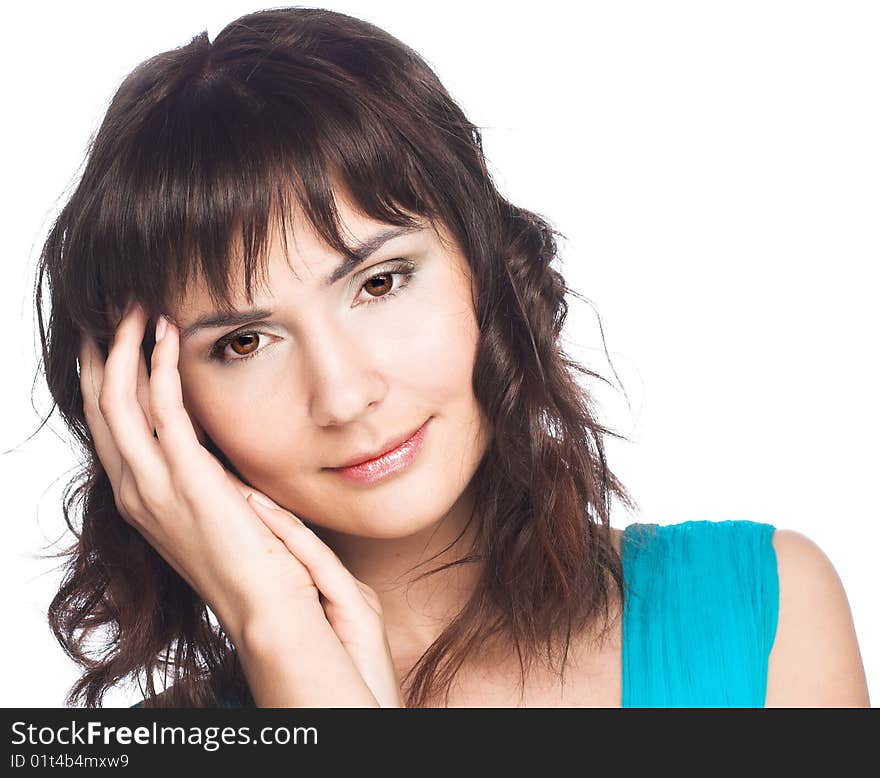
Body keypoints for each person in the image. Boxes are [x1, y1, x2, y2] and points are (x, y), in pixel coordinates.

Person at [37, 7, 869, 709]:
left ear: (483, 261)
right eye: (245, 343)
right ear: (152, 406)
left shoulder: (760, 615)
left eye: (380, 282)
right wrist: (284, 641)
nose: (345, 392)